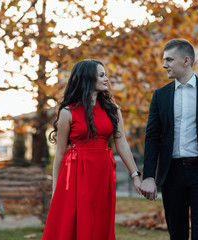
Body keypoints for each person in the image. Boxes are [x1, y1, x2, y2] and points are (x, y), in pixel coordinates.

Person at [140, 39, 198, 240]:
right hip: (171, 174)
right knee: (177, 235)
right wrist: (148, 176)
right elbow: (152, 138)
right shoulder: (160, 96)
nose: (164, 64)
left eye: (169, 59)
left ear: (186, 60)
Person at [42, 59, 142, 240]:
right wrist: (55, 190)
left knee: (99, 223)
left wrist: (135, 175)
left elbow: (122, 144)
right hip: (74, 174)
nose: (106, 79)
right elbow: (60, 153)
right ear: (88, 78)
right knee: (71, 224)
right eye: (102, 75)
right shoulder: (67, 111)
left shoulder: (113, 110)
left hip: (102, 174)